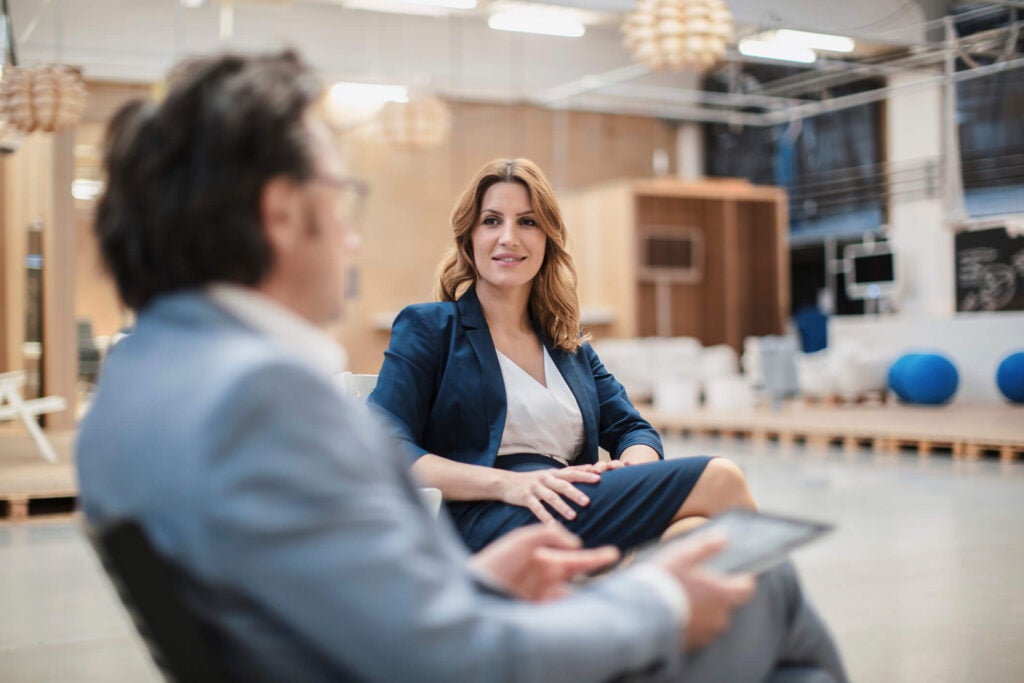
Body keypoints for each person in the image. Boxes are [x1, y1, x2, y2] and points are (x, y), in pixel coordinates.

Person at [76, 50, 847, 683]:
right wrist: (661, 604)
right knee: (766, 591)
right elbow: (456, 655)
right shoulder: (263, 399)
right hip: (473, 639)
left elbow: (348, 608)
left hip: (449, 612)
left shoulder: (142, 389)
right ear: (282, 212)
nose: (350, 237)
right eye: (344, 199)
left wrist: (474, 585)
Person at [369, 158, 757, 553]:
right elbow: (383, 445)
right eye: (491, 221)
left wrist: (629, 473)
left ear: (547, 238)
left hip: (575, 499)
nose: (508, 237)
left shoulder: (567, 345)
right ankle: (792, 615)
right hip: (491, 514)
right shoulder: (430, 327)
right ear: (468, 238)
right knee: (720, 478)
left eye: (527, 222)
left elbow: (632, 429)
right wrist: (509, 484)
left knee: (690, 532)